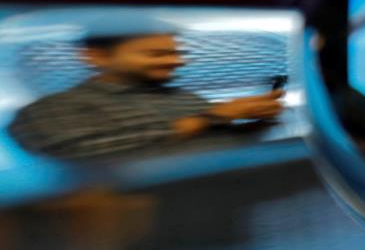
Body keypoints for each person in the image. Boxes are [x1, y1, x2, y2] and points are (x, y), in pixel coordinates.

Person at [8, 18, 284, 160]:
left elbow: (225, 142)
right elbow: (80, 153)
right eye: (156, 54)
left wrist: (260, 119)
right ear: (97, 56)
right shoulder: (51, 109)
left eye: (176, 53)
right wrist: (210, 118)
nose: (175, 61)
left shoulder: (184, 98)